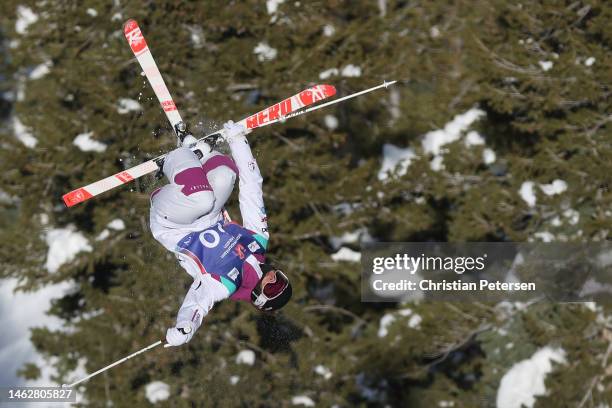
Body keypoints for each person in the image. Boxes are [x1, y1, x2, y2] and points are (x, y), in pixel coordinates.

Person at [149, 121, 292, 347]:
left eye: (273, 287)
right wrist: (238, 141)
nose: (273, 277)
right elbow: (252, 188)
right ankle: (197, 151)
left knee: (202, 198)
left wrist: (185, 328)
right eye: (281, 278)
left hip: (173, 223)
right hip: (207, 212)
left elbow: (196, 305)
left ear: (260, 298)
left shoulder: (223, 285)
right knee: (226, 176)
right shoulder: (257, 241)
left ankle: (177, 157)